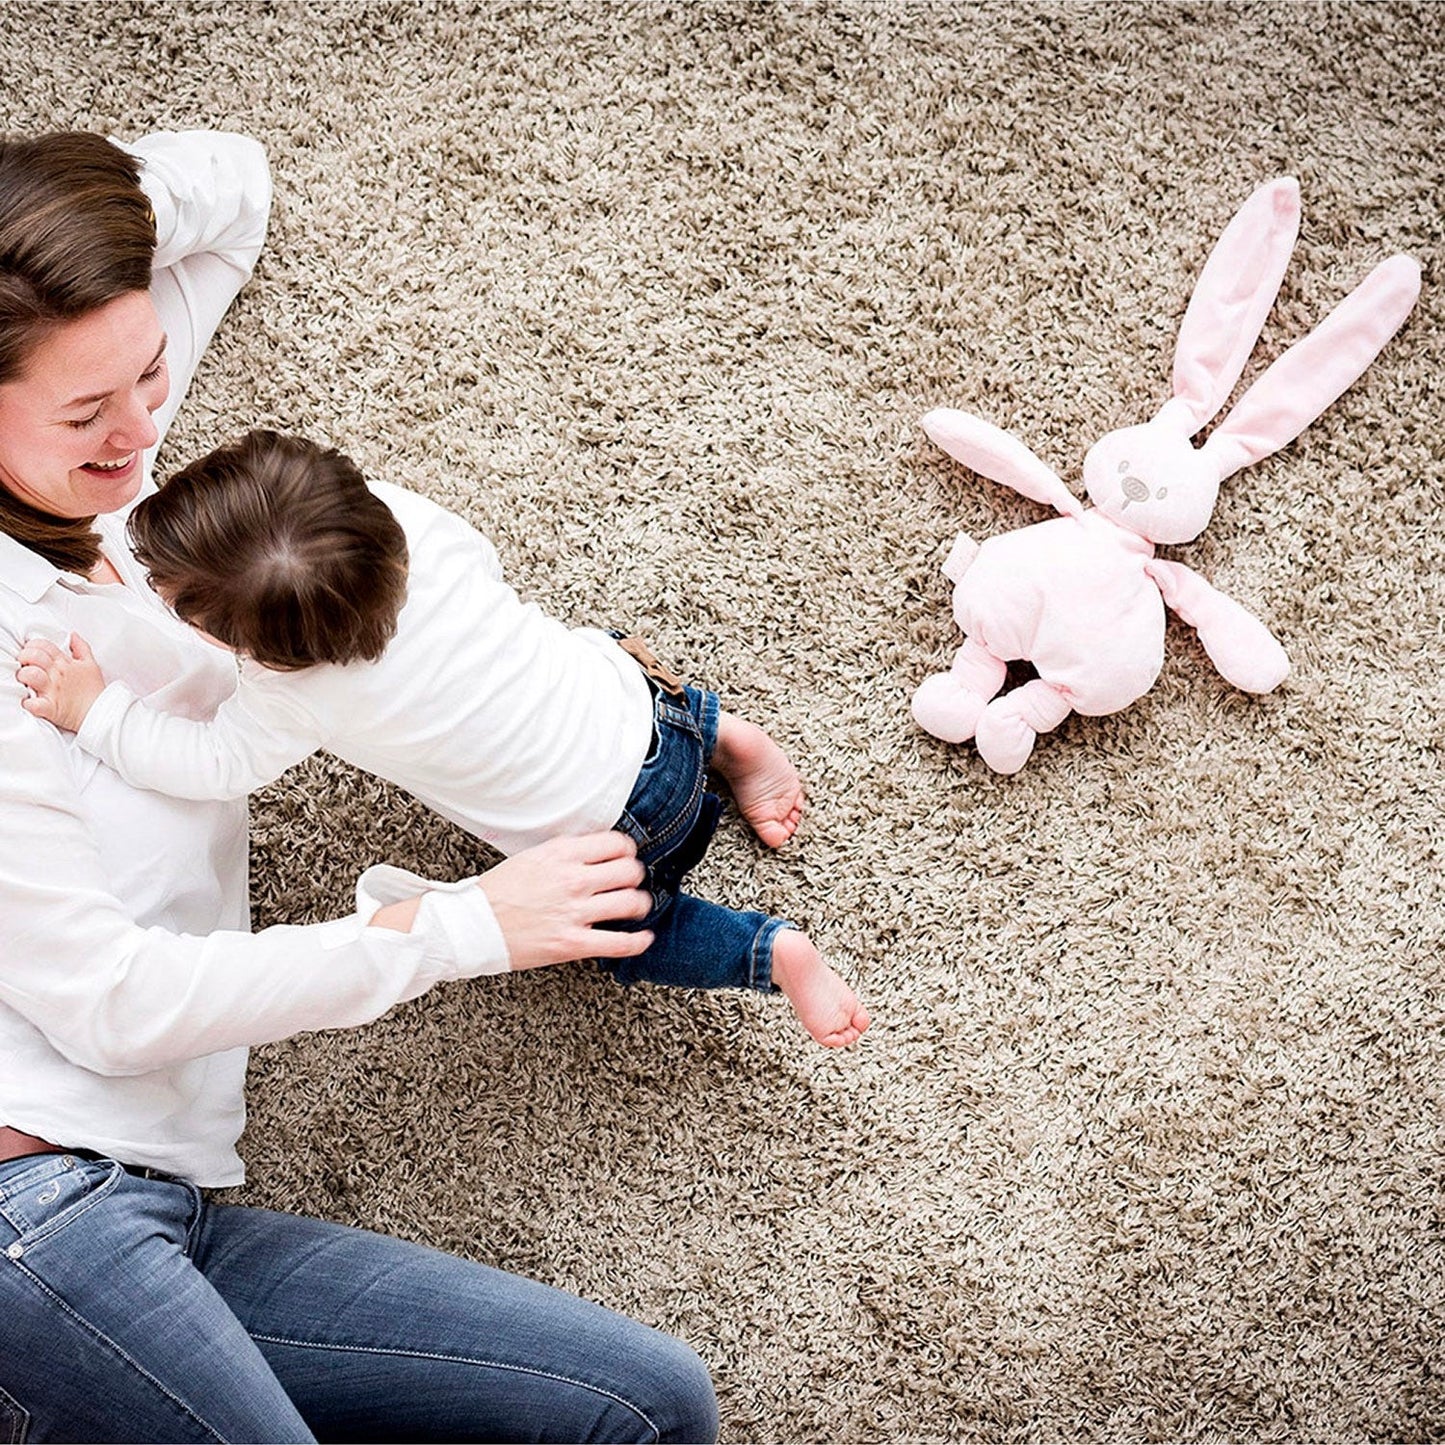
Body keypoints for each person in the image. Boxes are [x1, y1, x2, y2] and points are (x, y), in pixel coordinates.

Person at [0, 128, 719, 1442]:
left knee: (646, 1405)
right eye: (89, 411)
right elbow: (108, 1003)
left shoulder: (137, 507)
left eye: (151, 373)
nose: (142, 427)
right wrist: (460, 927)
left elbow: (233, 187)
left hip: (173, 1200)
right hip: (31, 1213)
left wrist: (56, 242)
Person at [19, 428, 872, 1050]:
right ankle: (729, 740)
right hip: (646, 710)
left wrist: (96, 711)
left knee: (627, 935)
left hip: (611, 843)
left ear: (254, 650)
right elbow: (487, 571)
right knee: (595, 654)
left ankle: (771, 949)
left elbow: (204, 764)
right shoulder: (406, 520)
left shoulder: (291, 695)